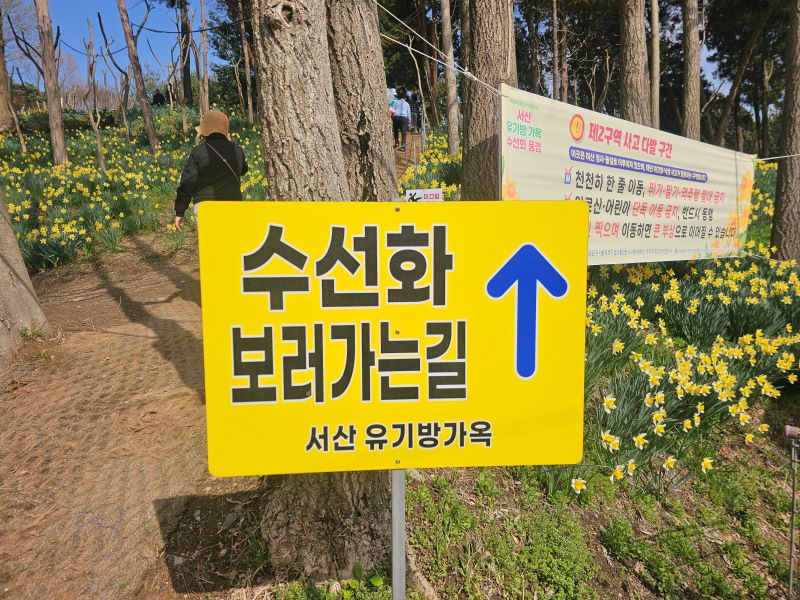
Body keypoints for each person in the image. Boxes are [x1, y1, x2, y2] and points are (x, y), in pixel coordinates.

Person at [174, 110, 248, 230]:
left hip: (205, 207)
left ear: (205, 131)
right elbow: (243, 170)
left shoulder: (198, 152)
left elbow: (188, 182)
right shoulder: (237, 150)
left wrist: (180, 211)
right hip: (233, 205)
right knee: (231, 241)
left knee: (209, 242)